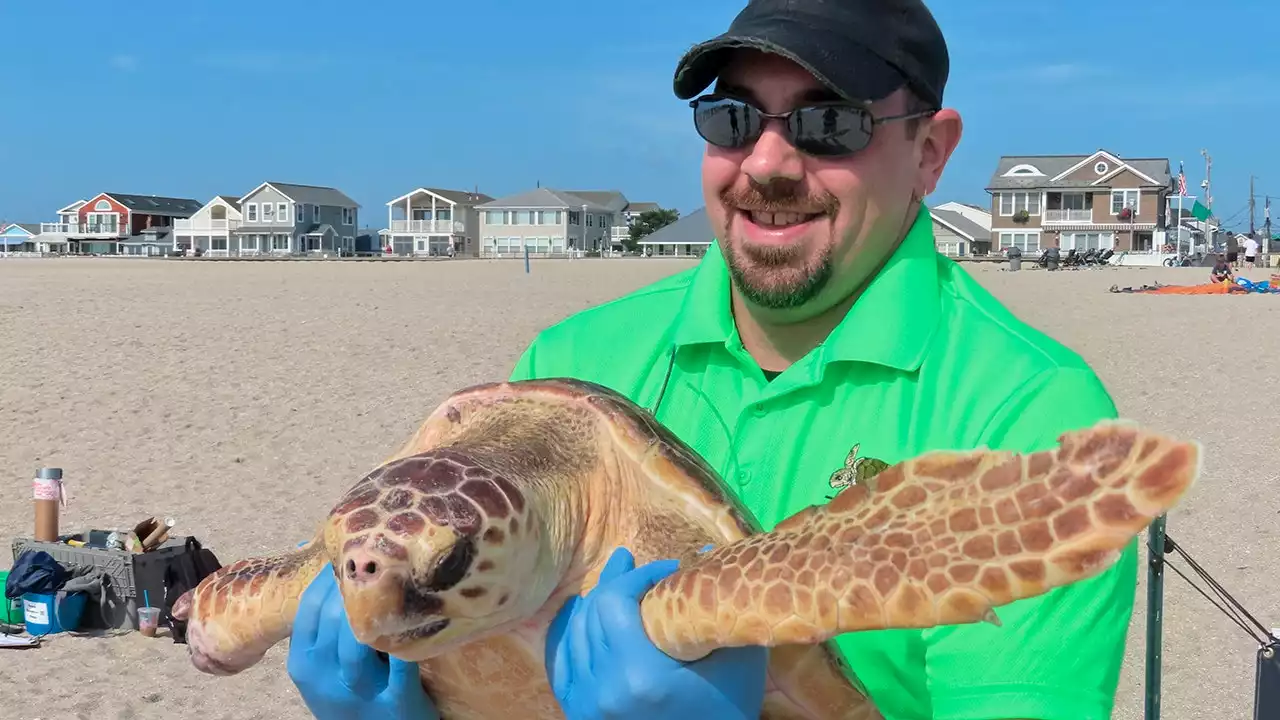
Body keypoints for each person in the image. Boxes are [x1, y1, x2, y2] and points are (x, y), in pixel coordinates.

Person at [288, 1, 1138, 718]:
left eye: (829, 122)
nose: (767, 162)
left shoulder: (1029, 416)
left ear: (930, 151)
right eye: (732, 119)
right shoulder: (573, 358)